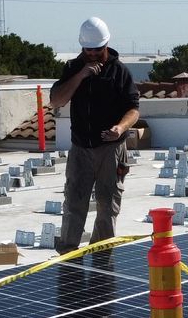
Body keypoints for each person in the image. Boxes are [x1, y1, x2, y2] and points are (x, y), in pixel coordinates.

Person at [48, 17, 140, 253]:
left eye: (97, 50)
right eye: (87, 50)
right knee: (74, 202)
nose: (92, 54)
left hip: (111, 150)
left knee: (107, 205)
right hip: (81, 149)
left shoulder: (120, 72)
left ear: (106, 45)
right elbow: (56, 101)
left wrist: (120, 128)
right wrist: (81, 76)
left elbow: (133, 110)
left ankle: (101, 253)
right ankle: (68, 254)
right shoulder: (72, 68)